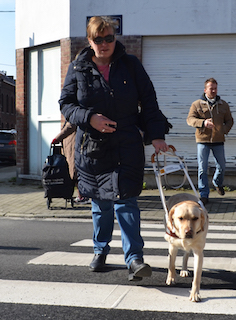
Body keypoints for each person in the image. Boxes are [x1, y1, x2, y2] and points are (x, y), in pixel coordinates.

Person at [58, 16, 169, 281]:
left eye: (109, 38)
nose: (105, 44)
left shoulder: (130, 65)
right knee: (101, 203)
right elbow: (66, 105)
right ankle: (100, 249)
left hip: (127, 144)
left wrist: (156, 136)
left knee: (127, 201)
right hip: (93, 148)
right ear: (90, 41)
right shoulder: (78, 68)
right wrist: (90, 118)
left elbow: (149, 101)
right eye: (99, 39)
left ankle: (134, 259)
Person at [186, 78, 233, 204]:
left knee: (222, 165)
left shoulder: (223, 104)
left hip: (218, 140)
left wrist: (223, 130)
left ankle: (217, 182)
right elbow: (190, 119)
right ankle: (204, 194)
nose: (213, 91)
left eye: (215, 88)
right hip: (203, 140)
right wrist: (203, 123)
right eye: (211, 88)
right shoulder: (197, 104)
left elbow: (229, 120)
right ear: (205, 89)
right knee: (202, 168)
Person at [52, 122, 88, 204]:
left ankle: (83, 196)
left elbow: (70, 127)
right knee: (74, 174)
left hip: (73, 148)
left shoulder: (72, 116)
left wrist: (57, 138)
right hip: (69, 148)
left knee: (75, 173)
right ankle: (81, 196)